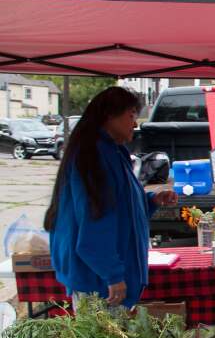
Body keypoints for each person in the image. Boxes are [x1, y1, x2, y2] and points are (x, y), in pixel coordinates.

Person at [44, 86, 179, 309]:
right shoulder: (93, 156)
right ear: (110, 116)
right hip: (99, 282)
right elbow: (95, 221)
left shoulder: (112, 152)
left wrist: (151, 201)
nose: (135, 124)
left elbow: (121, 208)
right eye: (131, 116)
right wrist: (113, 275)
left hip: (104, 277)